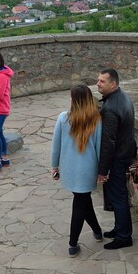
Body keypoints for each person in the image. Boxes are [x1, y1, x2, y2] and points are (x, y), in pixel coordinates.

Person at [51, 84, 105, 258]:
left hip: (69, 169)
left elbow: (56, 146)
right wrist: (101, 170)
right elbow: (98, 148)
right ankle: (97, 231)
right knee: (83, 199)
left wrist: (54, 166)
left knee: (80, 203)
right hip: (88, 169)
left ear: (74, 100)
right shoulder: (96, 119)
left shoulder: (63, 118)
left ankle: (72, 243)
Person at [96, 68, 137, 250]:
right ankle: (119, 228)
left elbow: (108, 141)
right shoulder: (123, 98)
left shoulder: (111, 108)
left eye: (102, 81)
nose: (98, 84)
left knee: (119, 197)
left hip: (117, 157)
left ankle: (123, 236)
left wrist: (103, 170)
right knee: (118, 195)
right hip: (125, 153)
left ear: (113, 84)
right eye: (98, 80)